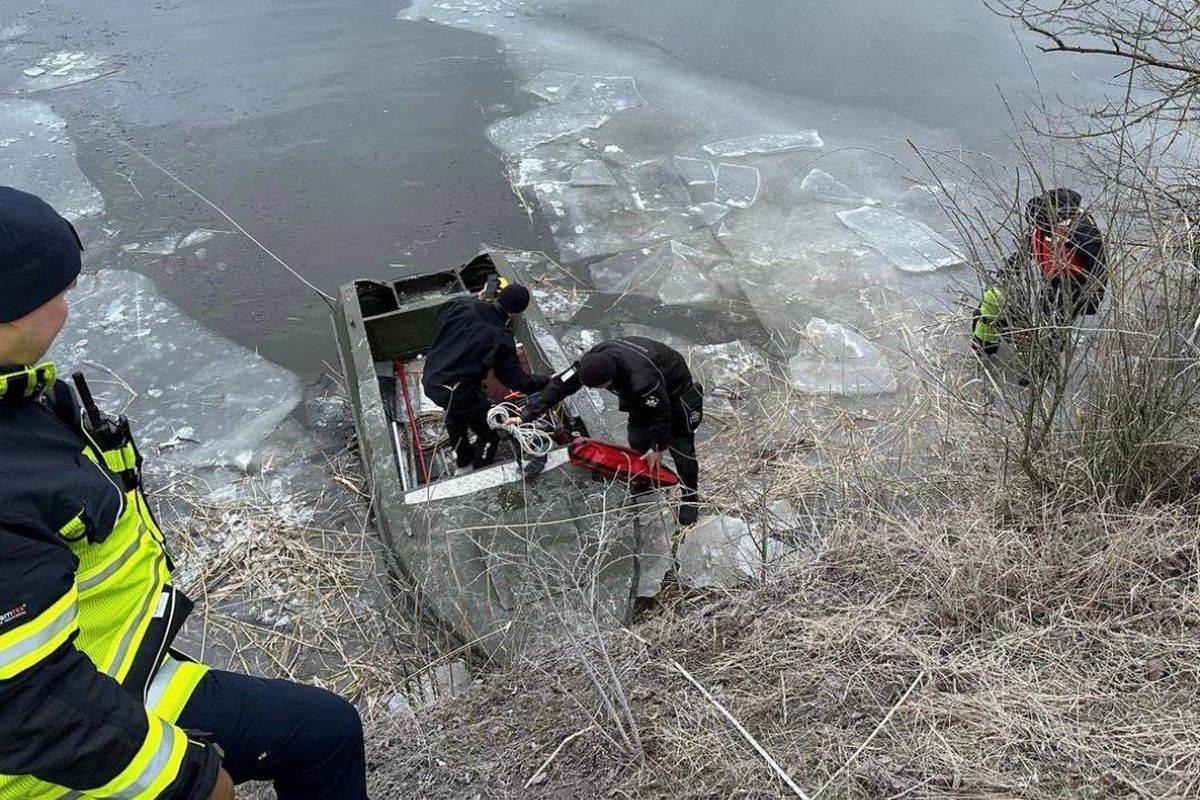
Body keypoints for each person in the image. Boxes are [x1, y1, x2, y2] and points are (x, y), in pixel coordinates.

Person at [0, 186, 366, 799]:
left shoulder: (16, 405)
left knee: (322, 731)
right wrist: (186, 780)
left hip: (112, 664)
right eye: (56, 293)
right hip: (55, 754)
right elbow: (24, 701)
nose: (66, 307)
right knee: (322, 734)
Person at [522, 337, 704, 526]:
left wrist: (658, 448)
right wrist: (527, 414)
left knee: (682, 449)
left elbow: (662, 413)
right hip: (637, 394)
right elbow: (561, 385)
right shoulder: (592, 360)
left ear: (611, 378)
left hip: (673, 389)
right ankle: (646, 478)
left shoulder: (642, 380)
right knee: (637, 438)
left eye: (601, 387)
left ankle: (690, 496)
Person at [421, 281, 550, 469]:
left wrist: (478, 300)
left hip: (432, 380)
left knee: (454, 417)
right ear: (516, 313)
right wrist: (548, 382)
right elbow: (515, 380)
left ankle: (463, 458)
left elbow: (441, 313)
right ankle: (481, 468)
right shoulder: (501, 337)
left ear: (499, 296)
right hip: (458, 392)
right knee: (488, 433)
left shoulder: (463, 305)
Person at [973, 187, 1107, 354]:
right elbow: (1025, 250)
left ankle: (1045, 365)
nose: (1038, 226)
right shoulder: (1040, 225)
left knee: (1052, 329)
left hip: (1074, 286)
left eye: (1042, 223)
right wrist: (1008, 272)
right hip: (1052, 280)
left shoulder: (1083, 231)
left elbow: (1099, 266)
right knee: (995, 306)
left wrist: (1093, 297)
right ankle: (986, 348)